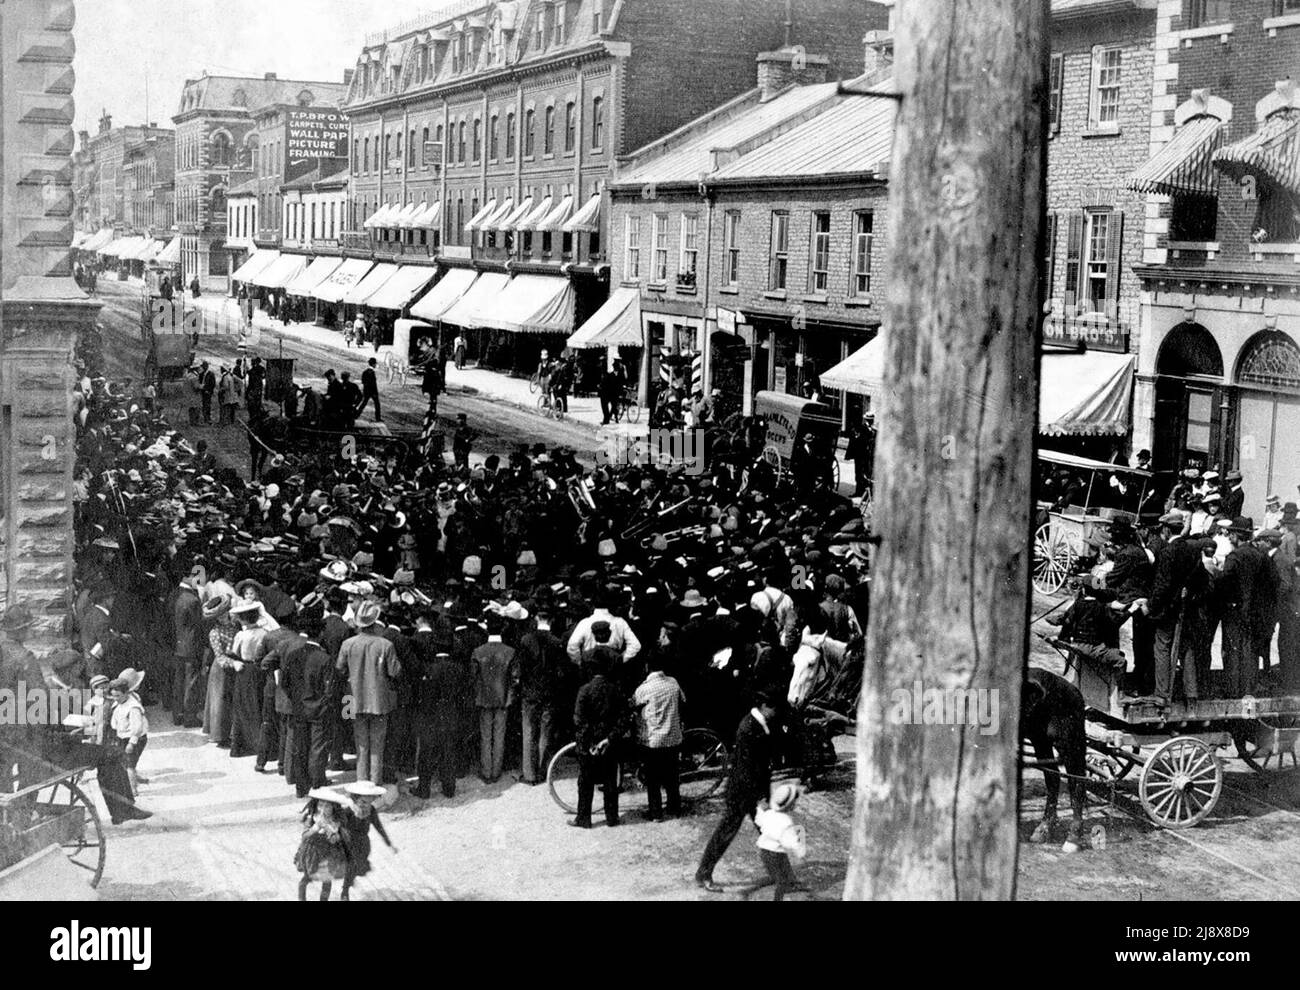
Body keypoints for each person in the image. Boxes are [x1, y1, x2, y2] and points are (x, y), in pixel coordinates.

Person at [696, 693, 782, 892]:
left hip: (754, 789)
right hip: (743, 791)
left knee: (769, 831)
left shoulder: (760, 723)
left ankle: (780, 874)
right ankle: (703, 873)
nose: (775, 713)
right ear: (763, 705)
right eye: (773, 709)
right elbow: (747, 767)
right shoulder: (748, 727)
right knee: (726, 832)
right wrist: (760, 798)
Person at [336, 601, 400, 785]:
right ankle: (375, 782)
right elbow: (395, 672)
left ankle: (361, 781)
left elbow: (339, 669)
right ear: (375, 621)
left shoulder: (347, 644)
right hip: (379, 700)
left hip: (352, 699)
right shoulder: (385, 645)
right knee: (378, 744)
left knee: (360, 743)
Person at [571, 649, 626, 829]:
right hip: (609, 745)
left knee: (585, 782)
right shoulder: (615, 690)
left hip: (589, 745)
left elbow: (579, 720)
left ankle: (584, 819)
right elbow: (622, 719)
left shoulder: (584, 691)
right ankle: (612, 818)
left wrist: (590, 743)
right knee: (611, 781)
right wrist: (609, 739)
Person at [634, 657, 686, 821]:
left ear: (647, 666)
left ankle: (656, 813)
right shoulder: (673, 682)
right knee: (672, 775)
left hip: (654, 740)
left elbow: (634, 705)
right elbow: (683, 701)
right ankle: (675, 808)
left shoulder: (644, 689)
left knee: (653, 779)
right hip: (673, 736)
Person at [518, 606, 565, 785]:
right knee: (545, 732)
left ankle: (529, 774)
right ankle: (543, 770)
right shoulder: (557, 642)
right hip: (549, 693)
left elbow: (521, 669)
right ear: (551, 620)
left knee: (529, 731)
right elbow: (561, 672)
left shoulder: (526, 640)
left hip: (530, 693)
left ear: (536, 618)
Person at [471, 614, 518, 783]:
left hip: (484, 699)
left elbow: (473, 678)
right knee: (500, 734)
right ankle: (496, 771)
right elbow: (515, 678)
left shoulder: (478, 652)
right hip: (503, 699)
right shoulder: (510, 652)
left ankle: (486, 771)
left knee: (485, 736)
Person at [754, 782, 808, 900]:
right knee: (781, 881)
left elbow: (759, 821)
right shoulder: (786, 821)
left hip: (764, 851)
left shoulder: (769, 813)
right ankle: (778, 898)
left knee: (782, 869)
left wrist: (759, 808)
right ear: (789, 805)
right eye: (794, 802)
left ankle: (791, 883)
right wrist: (800, 844)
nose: (795, 804)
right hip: (775, 853)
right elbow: (790, 842)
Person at [171, 572, 205, 728]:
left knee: (179, 680)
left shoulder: (176, 598)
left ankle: (177, 715)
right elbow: (198, 624)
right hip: (192, 646)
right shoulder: (193, 600)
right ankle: (190, 717)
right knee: (191, 681)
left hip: (179, 645)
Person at [109, 668, 150, 792]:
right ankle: (134, 778)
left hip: (134, 738)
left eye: (118, 696)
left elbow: (137, 726)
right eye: (113, 696)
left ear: (126, 692)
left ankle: (132, 789)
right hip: (123, 735)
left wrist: (132, 742)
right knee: (128, 761)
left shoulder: (133, 707)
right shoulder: (120, 702)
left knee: (129, 764)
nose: (115, 698)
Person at [358, 357, 382, 422]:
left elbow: (363, 381)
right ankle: (378, 418)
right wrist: (375, 393)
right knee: (377, 405)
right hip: (372, 392)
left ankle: (356, 415)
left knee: (363, 404)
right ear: (373, 364)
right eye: (375, 364)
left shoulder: (365, 372)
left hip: (366, 391)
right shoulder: (372, 372)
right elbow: (373, 384)